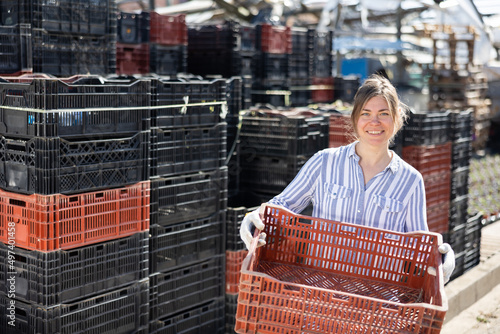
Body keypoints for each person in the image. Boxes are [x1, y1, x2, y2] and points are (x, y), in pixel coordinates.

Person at [240, 74, 456, 282]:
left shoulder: (411, 181)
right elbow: (283, 205)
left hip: (379, 302)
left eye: (384, 113)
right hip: (320, 293)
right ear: (354, 118)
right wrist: (254, 217)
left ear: (397, 117)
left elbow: (419, 247)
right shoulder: (324, 162)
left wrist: (441, 258)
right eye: (365, 113)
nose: (375, 122)